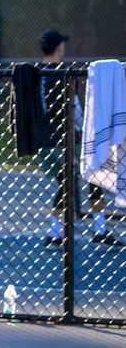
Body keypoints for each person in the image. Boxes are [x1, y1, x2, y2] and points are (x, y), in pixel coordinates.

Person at [36, 29, 122, 249]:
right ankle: (92, 229)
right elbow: (75, 111)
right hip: (64, 140)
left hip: (43, 142)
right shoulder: (63, 75)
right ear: (59, 48)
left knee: (67, 183)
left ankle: (59, 232)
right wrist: (83, 130)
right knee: (93, 175)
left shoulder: (33, 76)